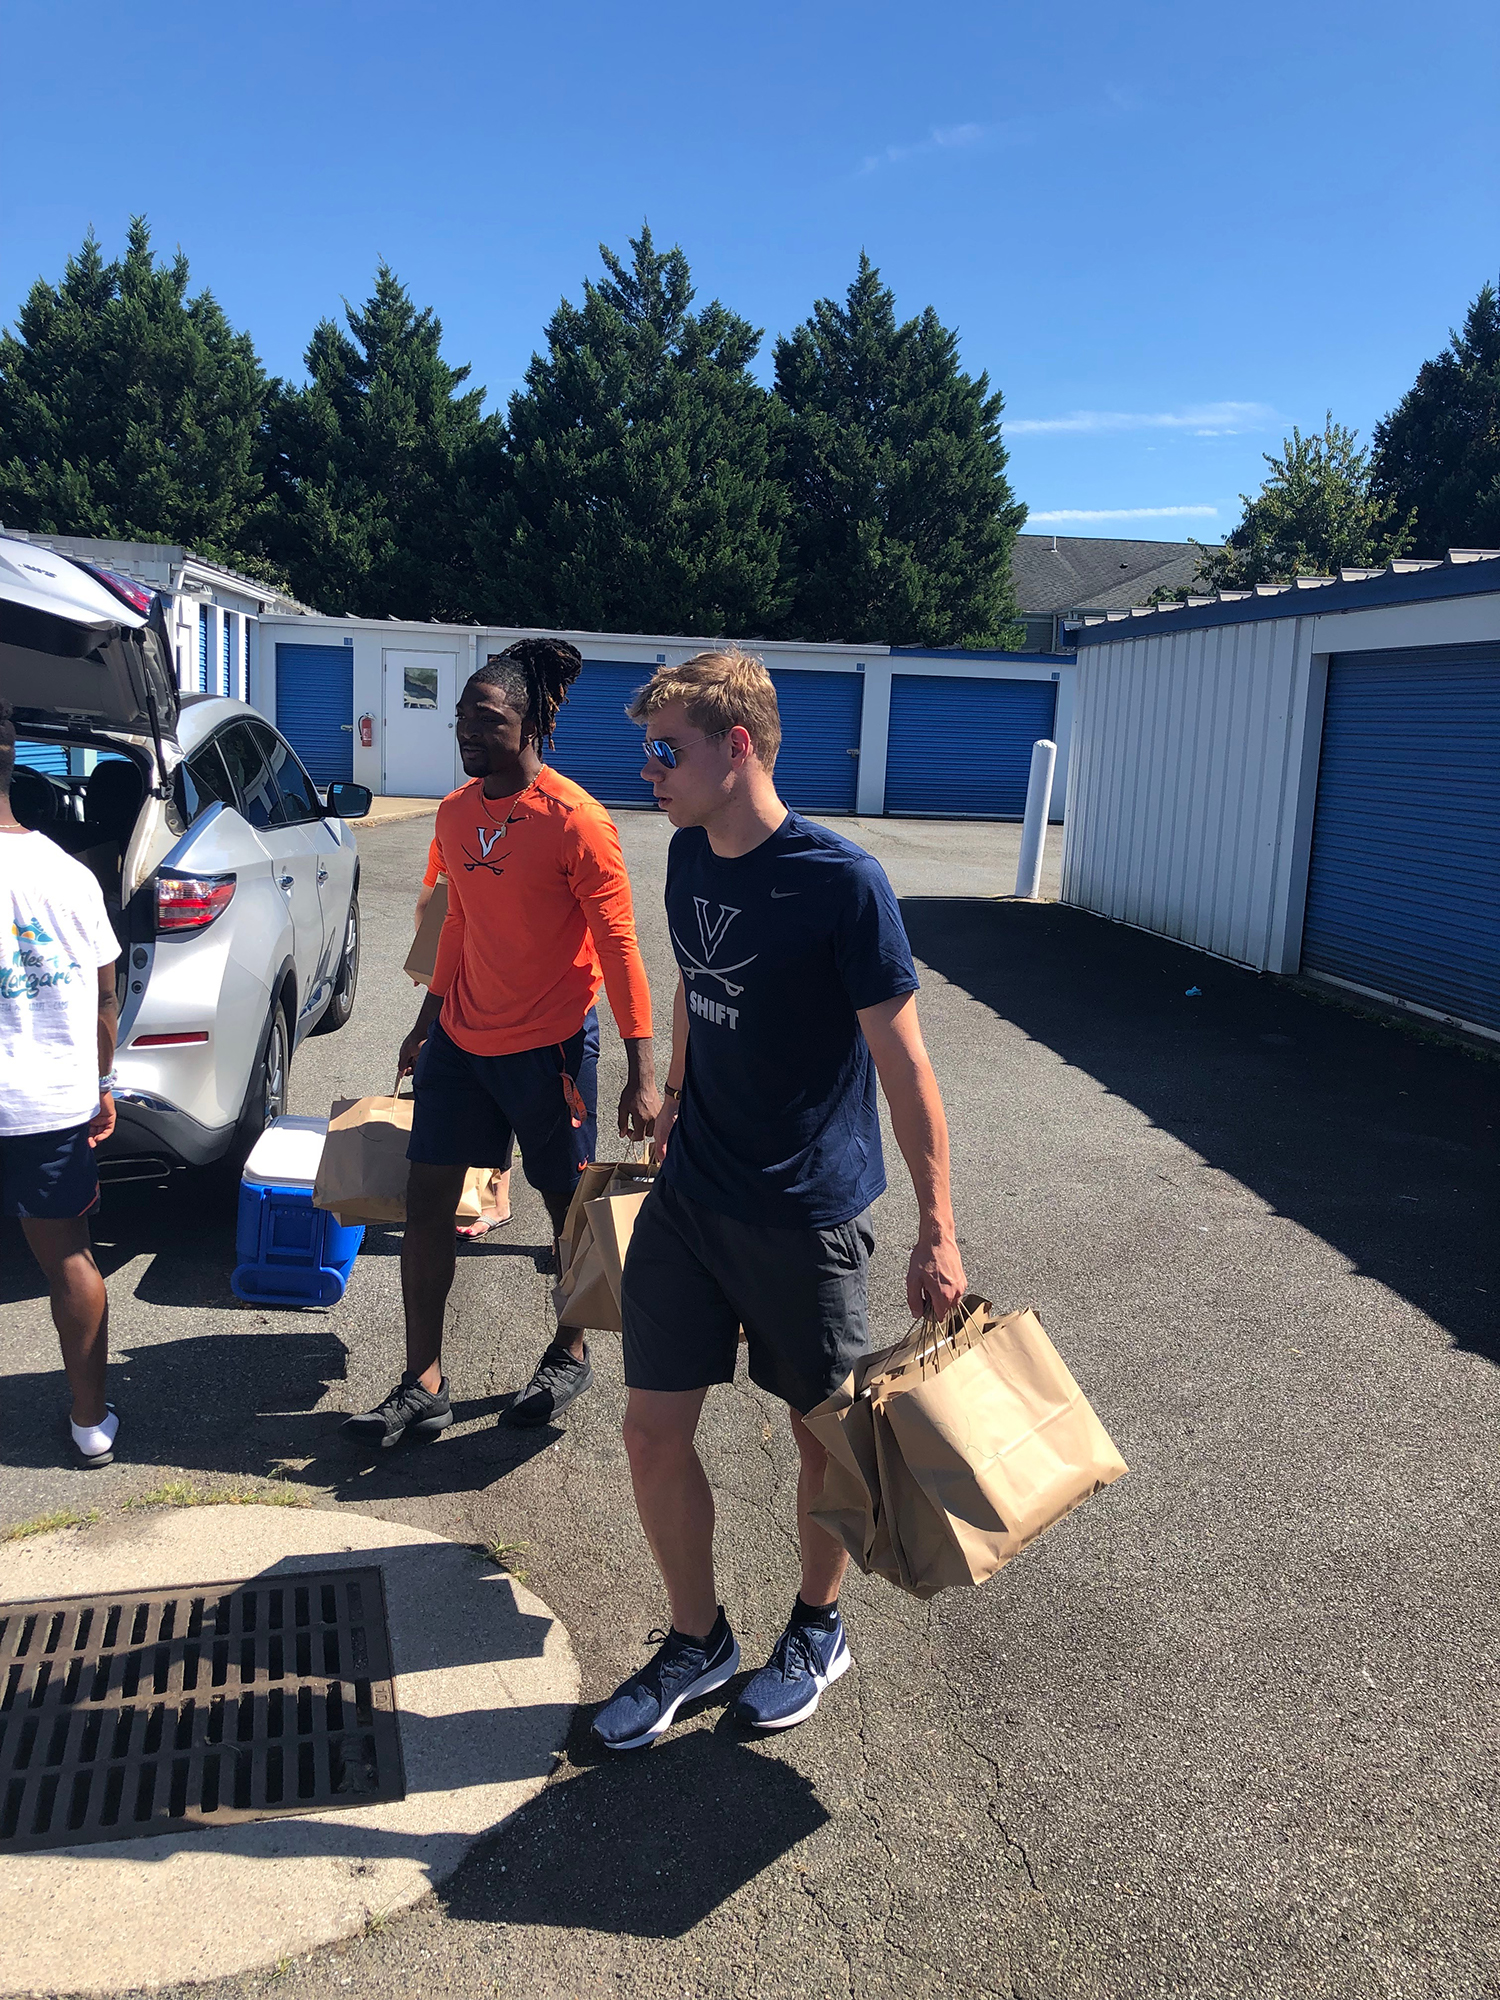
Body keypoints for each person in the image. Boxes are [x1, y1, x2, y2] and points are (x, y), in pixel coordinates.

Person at [592, 651, 966, 1751]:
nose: (649, 770)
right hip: (693, 1192)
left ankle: (817, 1623)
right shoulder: (686, 854)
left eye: (667, 749)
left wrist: (938, 1226)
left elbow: (906, 1066)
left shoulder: (842, 883)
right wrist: (674, 1092)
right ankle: (697, 1639)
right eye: (646, 750)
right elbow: (703, 986)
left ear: (736, 746)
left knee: (825, 1440)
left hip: (806, 1209)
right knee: (653, 1432)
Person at [344, 638, 659, 1447]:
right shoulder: (454, 815)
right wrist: (424, 1025)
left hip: (550, 1046)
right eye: (463, 722)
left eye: (487, 722)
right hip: (460, 1042)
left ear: (533, 725)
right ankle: (423, 1383)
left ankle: (569, 1349)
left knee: (568, 1211)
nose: (469, 735)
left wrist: (641, 1068)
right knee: (425, 1206)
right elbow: (456, 926)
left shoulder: (577, 822)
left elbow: (620, 946)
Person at [0, 704, 123, 1468]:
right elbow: (102, 1000)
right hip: (48, 1101)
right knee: (68, 1258)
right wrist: (101, 1084)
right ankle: (89, 1422)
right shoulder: (69, 875)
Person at [413, 833, 512, 1237]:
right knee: (488, 1089)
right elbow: (432, 906)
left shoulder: (454, 824)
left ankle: (493, 1197)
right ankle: (492, 1197)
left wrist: (428, 963)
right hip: (473, 982)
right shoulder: (452, 828)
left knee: (490, 1087)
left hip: (495, 987)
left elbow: (427, 908)